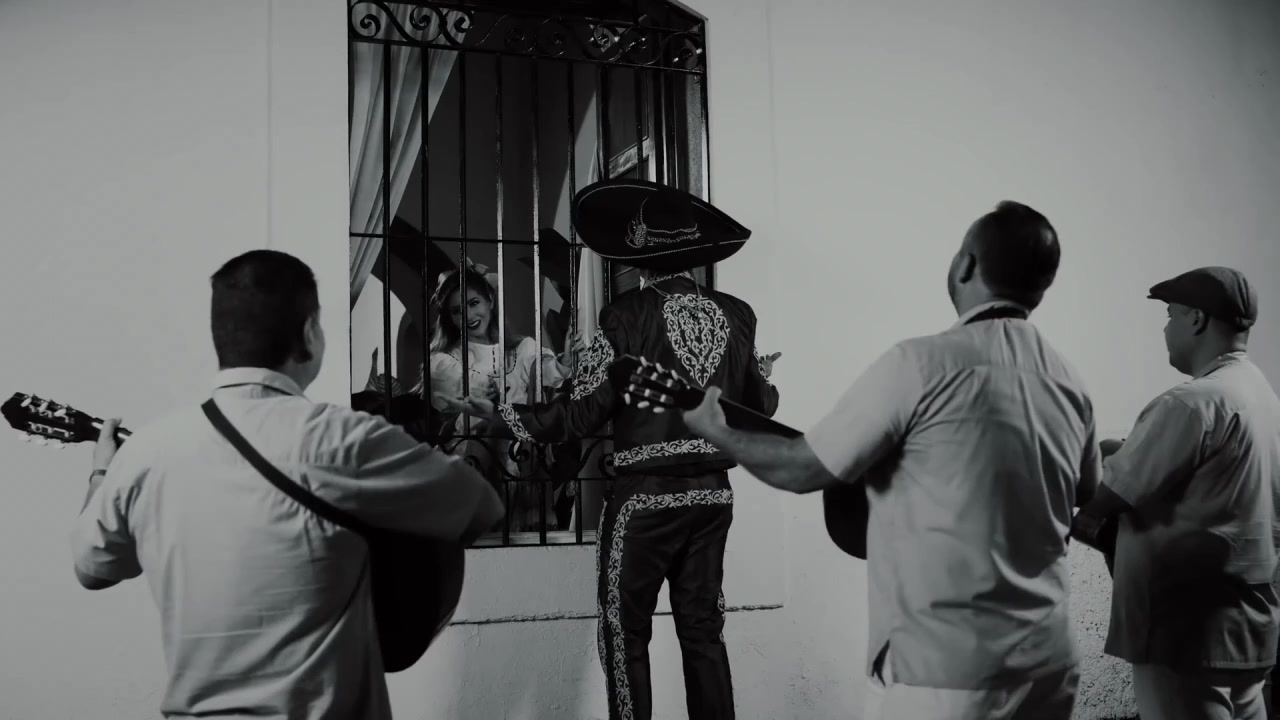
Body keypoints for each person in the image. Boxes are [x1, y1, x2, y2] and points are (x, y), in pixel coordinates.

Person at [682, 201, 1096, 720]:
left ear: (966, 264)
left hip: (947, 668)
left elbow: (800, 468)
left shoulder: (920, 364)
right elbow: (1084, 490)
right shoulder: (1068, 379)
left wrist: (718, 432)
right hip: (1050, 659)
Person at [70, 249, 503, 719]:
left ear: (221, 337)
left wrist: (102, 474)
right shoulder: (346, 439)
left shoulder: (147, 451)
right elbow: (480, 505)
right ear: (310, 332)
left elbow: (93, 567)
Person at [445, 179, 780, 720]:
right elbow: (760, 407)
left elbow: (579, 415)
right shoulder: (739, 314)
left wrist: (503, 416)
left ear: (639, 260)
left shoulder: (624, 317)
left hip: (645, 499)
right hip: (713, 496)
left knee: (625, 633)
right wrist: (762, 374)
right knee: (703, 629)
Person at [1072, 266, 1280, 720]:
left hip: (1183, 635)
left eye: (1170, 315)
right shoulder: (1263, 397)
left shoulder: (1189, 403)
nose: (1165, 329)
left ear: (1197, 319)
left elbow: (1101, 498)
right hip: (1246, 630)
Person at [418, 260, 581, 532]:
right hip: (475, 458)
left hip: (521, 459)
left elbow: (547, 372)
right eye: (457, 311)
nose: (469, 315)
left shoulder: (522, 349)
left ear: (490, 301)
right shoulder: (444, 361)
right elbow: (450, 401)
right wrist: (480, 397)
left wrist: (563, 361)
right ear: (449, 318)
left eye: (474, 303)